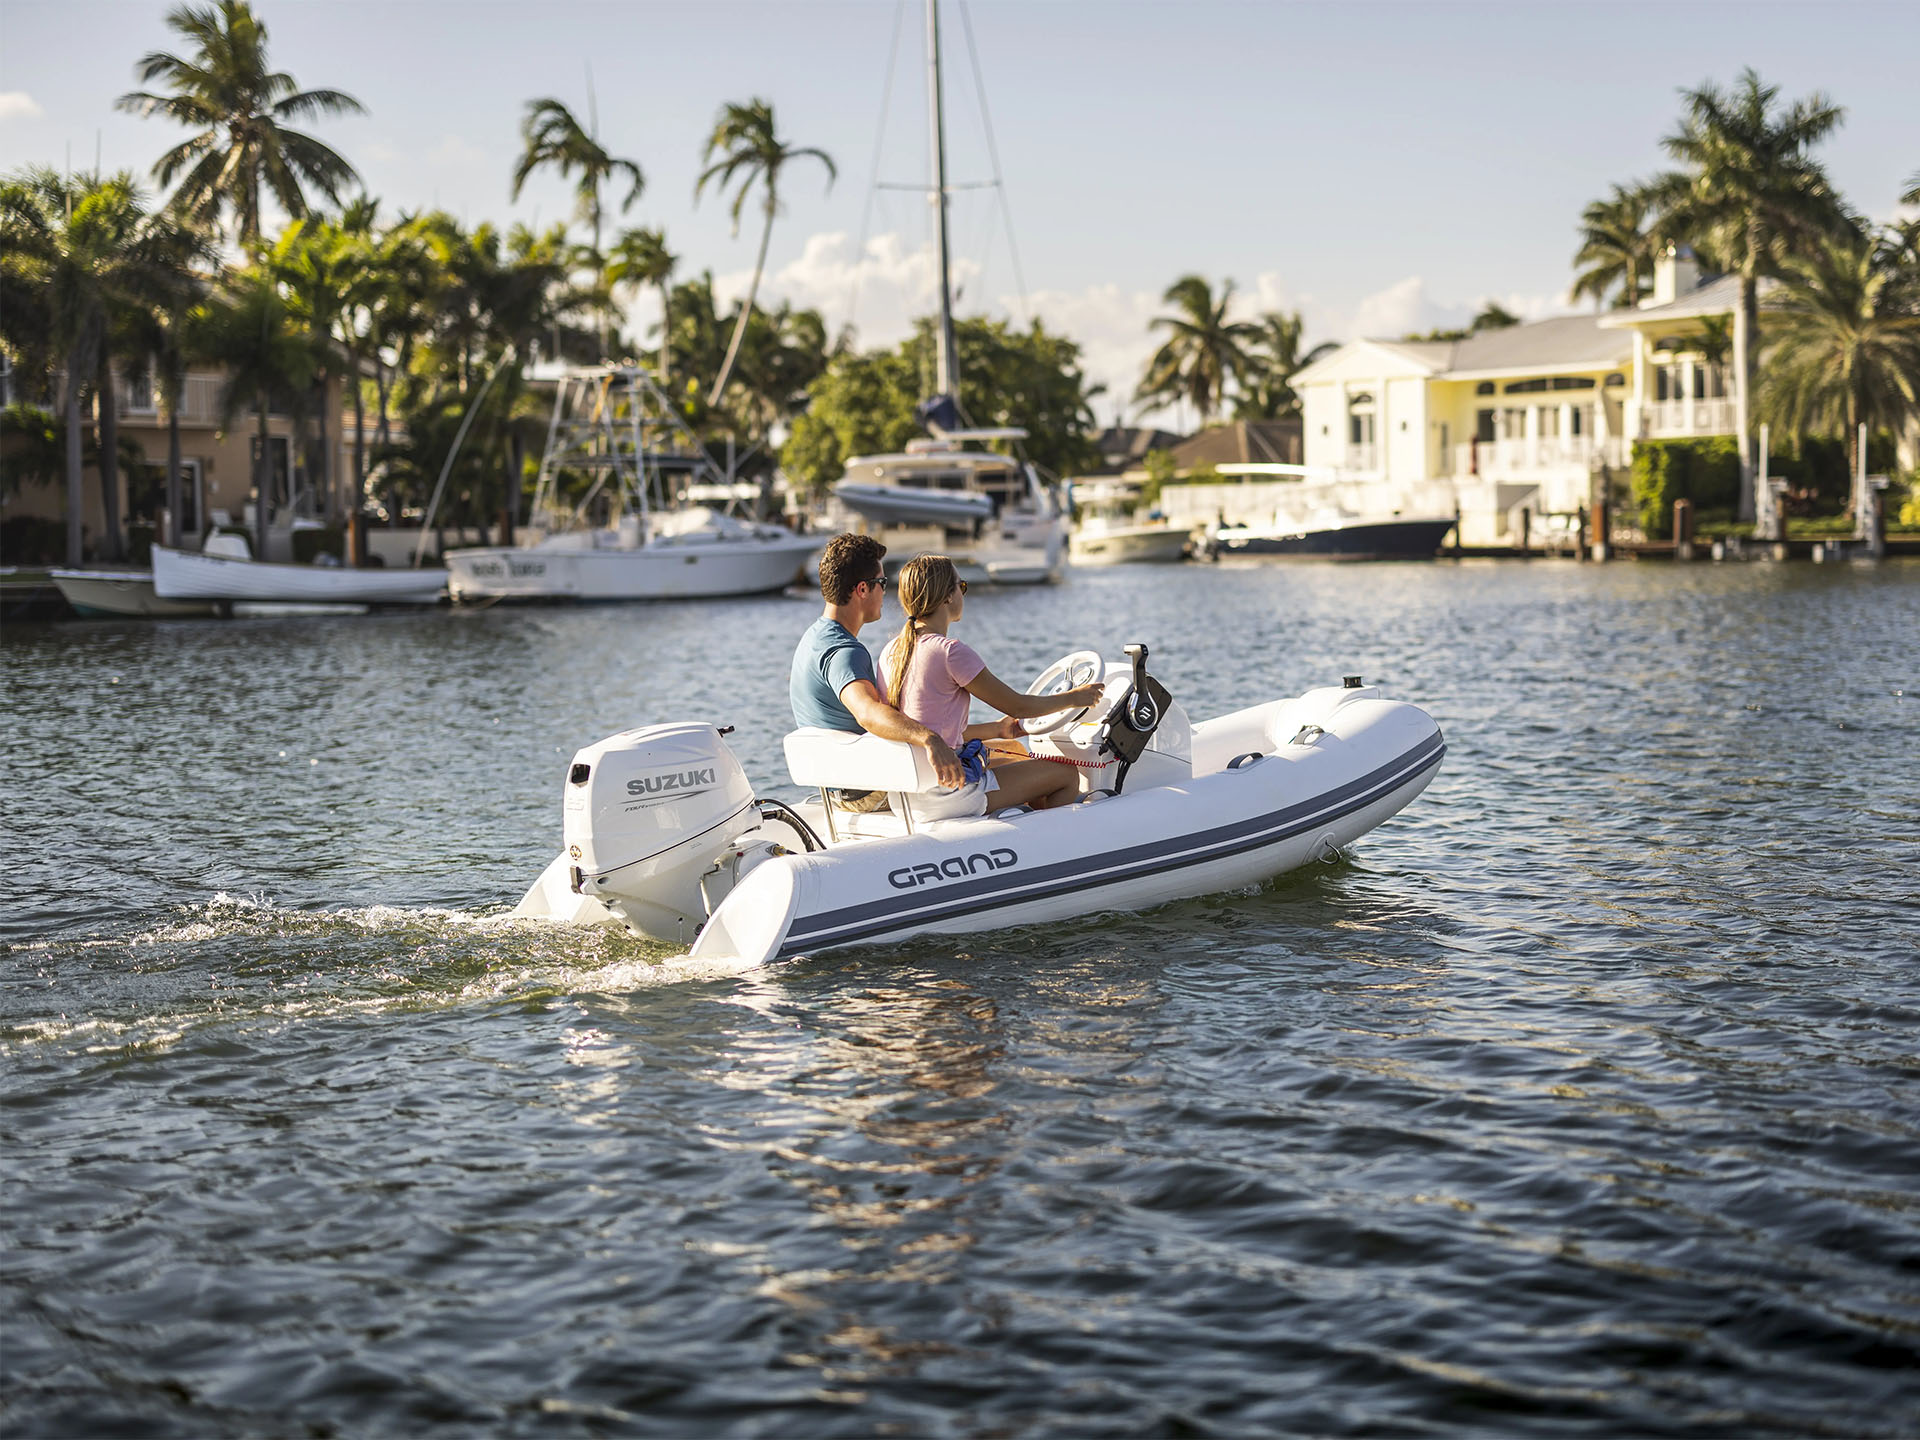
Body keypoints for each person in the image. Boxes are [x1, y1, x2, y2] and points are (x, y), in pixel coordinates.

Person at [878, 554, 1107, 819]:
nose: (963, 593)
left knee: (1018, 759)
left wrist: (998, 729)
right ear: (948, 597)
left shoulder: (890, 652)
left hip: (908, 795)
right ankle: (1050, 846)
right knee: (1066, 774)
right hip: (949, 793)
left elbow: (933, 728)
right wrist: (1075, 698)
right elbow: (1019, 705)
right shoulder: (950, 652)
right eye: (961, 586)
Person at [790, 533, 965, 811]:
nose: (886, 592)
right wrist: (929, 739)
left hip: (839, 788)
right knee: (1012, 764)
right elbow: (868, 713)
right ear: (862, 589)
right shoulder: (844, 651)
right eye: (882, 583)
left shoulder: (813, 638)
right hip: (868, 792)